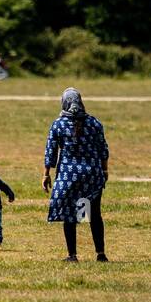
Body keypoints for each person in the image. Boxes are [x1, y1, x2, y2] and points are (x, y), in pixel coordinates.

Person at [42, 87, 109, 262]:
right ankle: (100, 254)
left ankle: (72, 255)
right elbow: (103, 149)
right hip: (92, 175)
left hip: (68, 177)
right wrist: (105, 170)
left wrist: (46, 174)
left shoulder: (58, 124)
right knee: (94, 214)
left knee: (70, 215)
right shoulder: (94, 123)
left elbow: (51, 152)